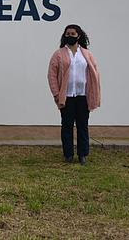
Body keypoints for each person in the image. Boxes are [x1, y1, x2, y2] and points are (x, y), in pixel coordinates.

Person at [47, 24, 101, 165]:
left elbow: (95, 73)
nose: (70, 36)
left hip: (83, 95)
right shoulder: (58, 54)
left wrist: (95, 92)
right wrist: (56, 94)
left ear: (79, 36)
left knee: (83, 125)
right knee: (67, 126)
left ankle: (83, 154)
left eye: (73, 34)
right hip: (67, 96)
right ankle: (68, 154)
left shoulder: (87, 54)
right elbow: (52, 75)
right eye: (68, 34)